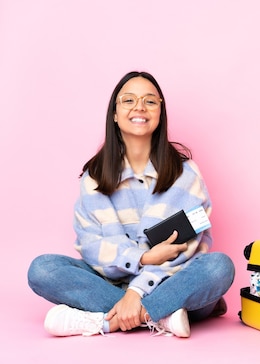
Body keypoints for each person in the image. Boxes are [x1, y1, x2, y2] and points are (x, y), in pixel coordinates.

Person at [27, 71, 235, 338]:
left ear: (160, 112)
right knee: (43, 269)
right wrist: (142, 258)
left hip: (172, 282)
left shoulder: (186, 173)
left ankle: (107, 321)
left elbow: (187, 246)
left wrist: (137, 291)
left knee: (218, 267)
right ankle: (161, 316)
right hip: (110, 281)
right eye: (128, 100)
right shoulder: (94, 178)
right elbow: (91, 245)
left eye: (150, 101)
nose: (139, 107)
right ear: (115, 113)